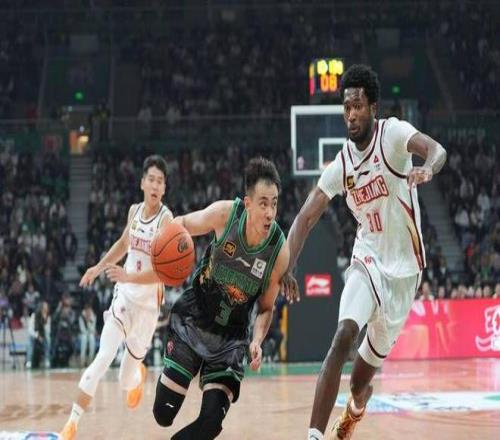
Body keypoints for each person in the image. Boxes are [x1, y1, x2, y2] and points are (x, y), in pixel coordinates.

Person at [281, 64, 447, 440]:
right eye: (346, 108)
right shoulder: (341, 163)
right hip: (367, 259)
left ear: (373, 107)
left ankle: (355, 410)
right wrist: (289, 264)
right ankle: (314, 436)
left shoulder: (393, 135)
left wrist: (428, 169)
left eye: (357, 106)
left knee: (359, 384)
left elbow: (436, 150)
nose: (351, 115)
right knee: (343, 335)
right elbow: (305, 218)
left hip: (404, 274)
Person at [152, 157, 289, 439]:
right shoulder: (226, 215)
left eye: (274, 204)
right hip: (195, 318)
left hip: (231, 338)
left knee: (211, 422)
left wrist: (257, 341)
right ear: (248, 203)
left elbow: (266, 308)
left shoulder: (278, 250)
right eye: (263, 203)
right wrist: (161, 262)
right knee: (163, 414)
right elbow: (182, 223)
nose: (270, 213)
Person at [60, 155, 173, 440]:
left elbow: (162, 272)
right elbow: (123, 243)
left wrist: (128, 276)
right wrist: (98, 268)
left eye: (160, 181)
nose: (155, 185)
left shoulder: (166, 220)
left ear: (164, 188)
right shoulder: (134, 211)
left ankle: (138, 375)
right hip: (124, 298)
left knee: (125, 381)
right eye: (151, 179)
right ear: (142, 183)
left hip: (147, 309)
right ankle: (71, 424)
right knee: (103, 358)